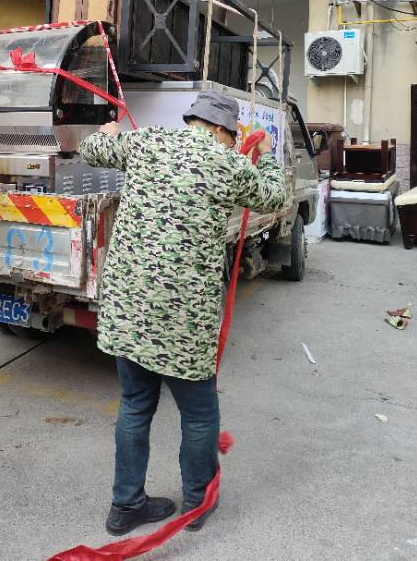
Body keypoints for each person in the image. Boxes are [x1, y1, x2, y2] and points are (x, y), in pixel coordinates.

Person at [79, 88, 287, 536]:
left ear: (193, 119)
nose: (233, 142)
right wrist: (267, 153)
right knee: (199, 413)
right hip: (184, 319)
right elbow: (274, 196)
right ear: (222, 130)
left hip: (129, 307)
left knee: (135, 405)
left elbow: (91, 148)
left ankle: (125, 506)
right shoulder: (228, 163)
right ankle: (196, 502)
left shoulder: (145, 141)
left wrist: (108, 131)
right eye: (233, 136)